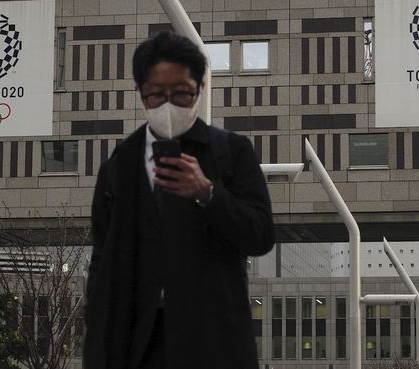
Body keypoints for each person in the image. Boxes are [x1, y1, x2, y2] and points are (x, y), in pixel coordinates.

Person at [83, 31, 275, 369]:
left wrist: (209, 194)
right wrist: (98, 333)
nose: (169, 104)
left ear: (200, 89)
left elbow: (261, 234)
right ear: (140, 94)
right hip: (134, 342)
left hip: (212, 340)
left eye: (182, 93)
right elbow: (102, 256)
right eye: (156, 95)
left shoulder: (230, 152)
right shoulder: (119, 163)